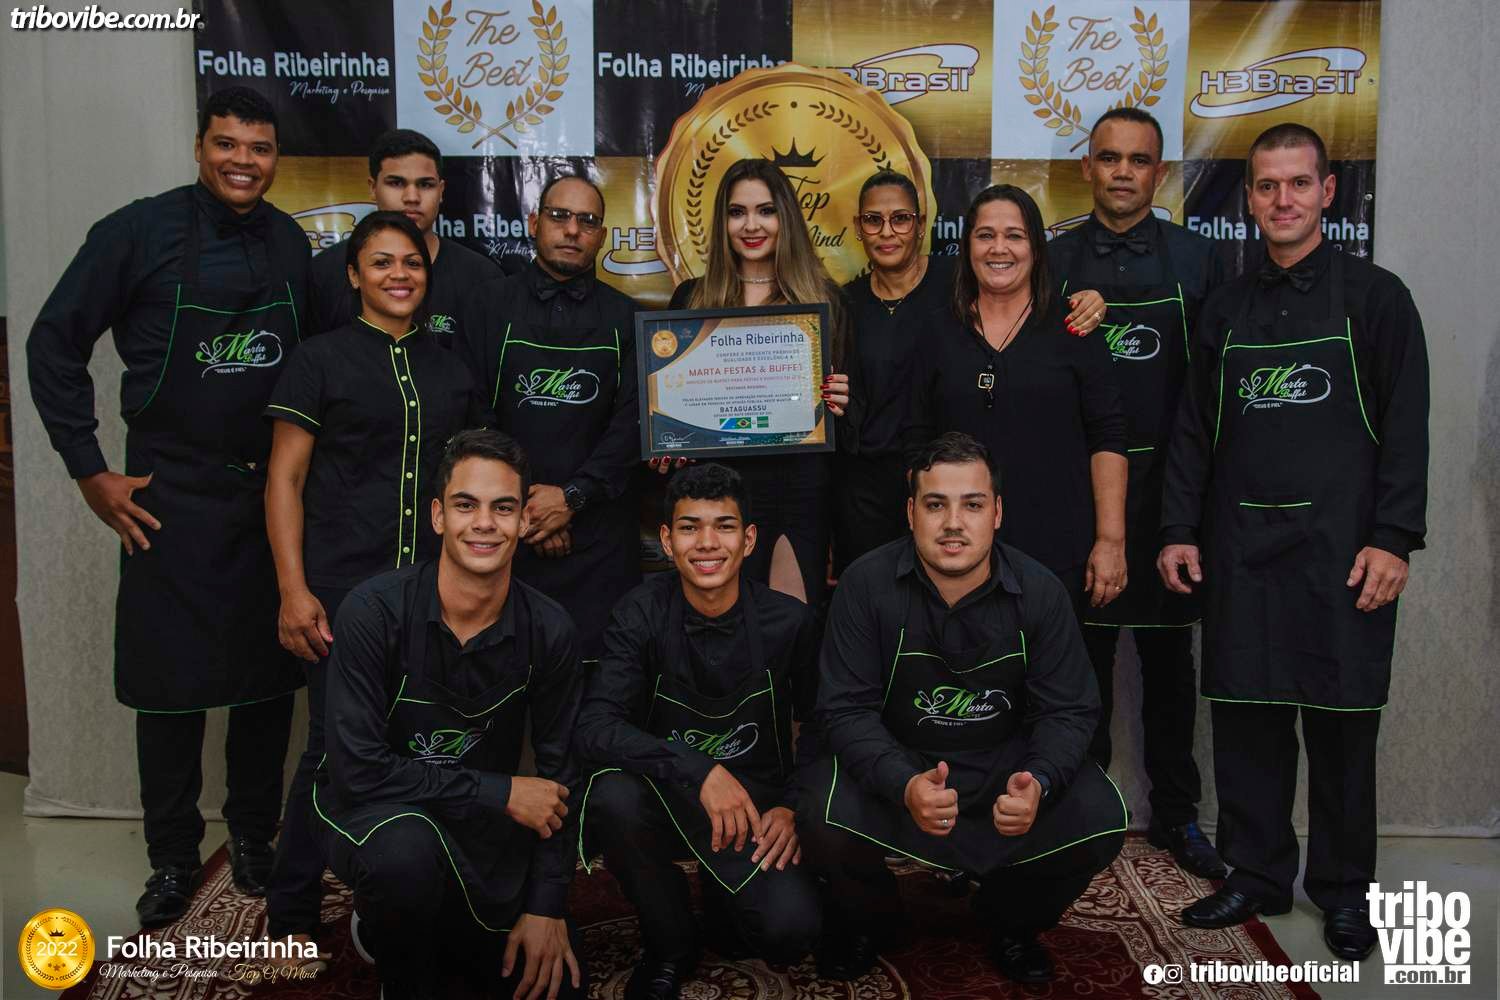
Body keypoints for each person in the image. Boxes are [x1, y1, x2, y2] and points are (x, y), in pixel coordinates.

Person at [26, 86, 308, 926]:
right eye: (226, 144)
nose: (242, 161)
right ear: (198, 147)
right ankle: (173, 858)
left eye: (258, 148)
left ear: (275, 157)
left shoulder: (290, 243)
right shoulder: (135, 233)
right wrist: (90, 470)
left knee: (265, 686)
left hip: (264, 497)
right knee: (169, 690)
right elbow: (52, 343)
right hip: (166, 498)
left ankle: (253, 837)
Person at [1159, 123, 1429, 962]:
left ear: (1327, 192)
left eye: (1298, 183)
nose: (1283, 200)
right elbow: (1192, 432)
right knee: (1247, 721)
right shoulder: (1225, 308)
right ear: (1248, 198)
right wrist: (1177, 528)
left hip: (1343, 554)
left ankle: (1345, 894)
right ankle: (1257, 875)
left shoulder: (1377, 299)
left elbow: (1406, 427)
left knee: (1343, 729)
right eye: (1268, 186)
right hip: (1239, 547)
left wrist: (1393, 539)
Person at [801, 432, 1126, 986]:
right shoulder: (865, 585)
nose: (953, 523)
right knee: (817, 808)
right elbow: (844, 710)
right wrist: (905, 783)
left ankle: (1010, 922)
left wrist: (1039, 781)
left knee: (1101, 814)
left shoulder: (1041, 591)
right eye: (936, 505)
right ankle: (869, 922)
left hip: (1005, 773)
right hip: (900, 768)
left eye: (972, 505)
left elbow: (1070, 711)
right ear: (911, 513)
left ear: (997, 513)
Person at [262, 210, 493, 963]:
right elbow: (284, 479)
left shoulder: (451, 368)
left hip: (431, 596)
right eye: (383, 262)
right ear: (354, 274)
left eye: (412, 263)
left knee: (420, 740)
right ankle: (291, 912)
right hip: (338, 589)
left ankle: (408, 894)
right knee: (332, 746)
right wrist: (293, 589)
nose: (400, 275)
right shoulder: (318, 360)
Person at [315, 429, 586, 1000]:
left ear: (524, 520)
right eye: (466, 505)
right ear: (438, 516)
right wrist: (500, 791)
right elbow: (357, 772)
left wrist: (547, 907)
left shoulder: (551, 629)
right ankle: (394, 954)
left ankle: (432, 927)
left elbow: (563, 775)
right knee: (404, 857)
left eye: (503, 508)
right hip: (379, 815)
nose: (484, 523)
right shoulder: (371, 612)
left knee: (551, 986)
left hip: (480, 827)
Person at [1045, 108, 1228, 879]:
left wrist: (1193, 507)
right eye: (1110, 158)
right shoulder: (1050, 261)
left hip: (1172, 501)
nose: (1123, 171)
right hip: (1078, 495)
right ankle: (1076, 810)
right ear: (1087, 167)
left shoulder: (1199, 260)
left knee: (1170, 666)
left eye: (1139, 160)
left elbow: (1215, 389)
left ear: (1160, 172)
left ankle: (1178, 816)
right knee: (1073, 666)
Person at [575, 464, 822, 999]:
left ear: (748, 539)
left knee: (788, 933)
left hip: (757, 812)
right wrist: (699, 769)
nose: (707, 543)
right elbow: (594, 727)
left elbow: (824, 726)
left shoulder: (789, 622)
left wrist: (792, 806)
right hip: (669, 800)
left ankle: (722, 896)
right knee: (611, 796)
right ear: (667, 540)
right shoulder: (638, 614)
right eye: (690, 527)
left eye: (724, 526)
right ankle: (669, 942)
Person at [839, 170, 1107, 572]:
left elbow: (1031, 287)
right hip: (894, 497)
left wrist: (1093, 299)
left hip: (1029, 509)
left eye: (901, 218)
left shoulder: (961, 280)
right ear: (859, 227)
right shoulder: (845, 305)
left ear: (921, 223)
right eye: (874, 220)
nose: (888, 231)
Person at [909, 185, 1127, 623]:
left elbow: (1108, 437)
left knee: (1062, 665)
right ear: (967, 245)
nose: (999, 248)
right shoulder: (936, 333)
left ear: (1036, 248)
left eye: (1015, 235)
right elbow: (915, 440)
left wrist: (1110, 540)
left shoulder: (1074, 328)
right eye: (985, 235)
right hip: (958, 557)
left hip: (1060, 552)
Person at [461, 174, 641, 662]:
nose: (572, 230)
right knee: (502, 676)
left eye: (588, 221)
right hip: (504, 531)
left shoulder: (628, 317)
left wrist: (573, 498)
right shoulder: (486, 304)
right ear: (534, 222)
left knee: (595, 683)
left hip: (599, 542)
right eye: (559, 216)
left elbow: (631, 428)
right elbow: (473, 414)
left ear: (602, 236)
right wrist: (527, 505)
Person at [663, 158, 852, 606]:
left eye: (766, 211)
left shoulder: (825, 300)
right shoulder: (692, 298)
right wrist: (668, 436)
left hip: (797, 488)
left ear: (786, 217)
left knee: (792, 624)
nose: (751, 225)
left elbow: (846, 422)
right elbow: (671, 404)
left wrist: (842, 400)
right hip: (715, 490)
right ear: (722, 221)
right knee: (718, 623)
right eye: (737, 212)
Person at [306, 128, 499, 339]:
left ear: (441, 191)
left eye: (425, 184)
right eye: (396, 183)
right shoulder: (325, 272)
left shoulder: (482, 277)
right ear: (373, 188)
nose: (412, 197)